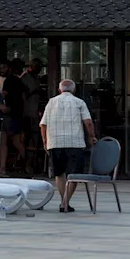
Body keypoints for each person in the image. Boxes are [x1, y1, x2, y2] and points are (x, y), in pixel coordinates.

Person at [39, 79, 96, 213]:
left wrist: (45, 141)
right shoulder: (79, 102)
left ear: (59, 90)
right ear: (74, 90)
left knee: (59, 173)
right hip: (74, 143)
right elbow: (88, 122)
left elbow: (43, 124)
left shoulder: (51, 102)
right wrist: (91, 136)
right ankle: (65, 202)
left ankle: (63, 202)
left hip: (55, 142)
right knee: (74, 175)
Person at [1, 59, 28, 172]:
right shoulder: (18, 80)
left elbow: (3, 95)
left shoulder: (8, 81)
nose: (1, 70)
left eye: (3, 68)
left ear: (9, 68)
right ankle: (4, 167)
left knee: (12, 141)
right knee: (11, 140)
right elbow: (24, 96)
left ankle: (23, 163)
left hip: (10, 113)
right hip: (17, 113)